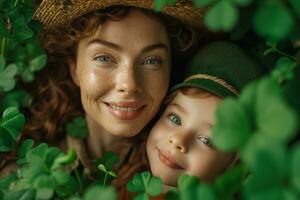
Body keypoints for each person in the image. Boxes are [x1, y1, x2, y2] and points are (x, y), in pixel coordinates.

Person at [0, 0, 206, 178]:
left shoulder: (189, 174)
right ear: (75, 70)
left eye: (151, 60)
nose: (129, 84)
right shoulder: (19, 178)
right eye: (104, 58)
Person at [115, 41, 263, 198]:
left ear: (233, 163)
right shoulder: (125, 177)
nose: (178, 140)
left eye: (206, 140)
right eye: (175, 119)